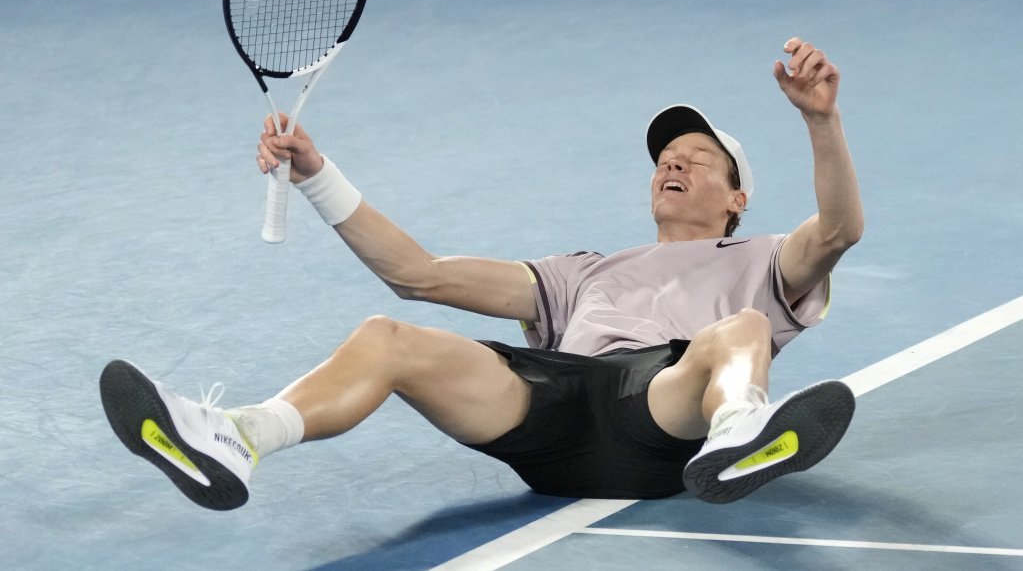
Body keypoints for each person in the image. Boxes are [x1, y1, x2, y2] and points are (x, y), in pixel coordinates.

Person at [100, 37, 863, 511]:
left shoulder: (761, 259)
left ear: (735, 200)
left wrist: (819, 120)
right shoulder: (579, 273)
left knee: (742, 328)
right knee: (387, 336)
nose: (674, 163)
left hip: (661, 412)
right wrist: (315, 175)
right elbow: (418, 273)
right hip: (555, 413)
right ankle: (240, 437)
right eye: (666, 157)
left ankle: (739, 432)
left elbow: (837, 229)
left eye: (697, 159)